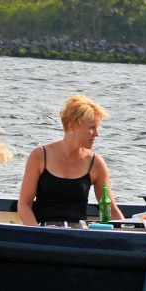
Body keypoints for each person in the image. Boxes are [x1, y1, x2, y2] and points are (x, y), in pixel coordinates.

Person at [18, 94, 111, 228]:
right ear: (72, 126)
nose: (97, 133)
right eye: (92, 128)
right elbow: (24, 205)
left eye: (97, 128)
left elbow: (110, 209)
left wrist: (129, 235)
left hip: (78, 235)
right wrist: (38, 234)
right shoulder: (39, 156)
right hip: (43, 231)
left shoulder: (96, 163)